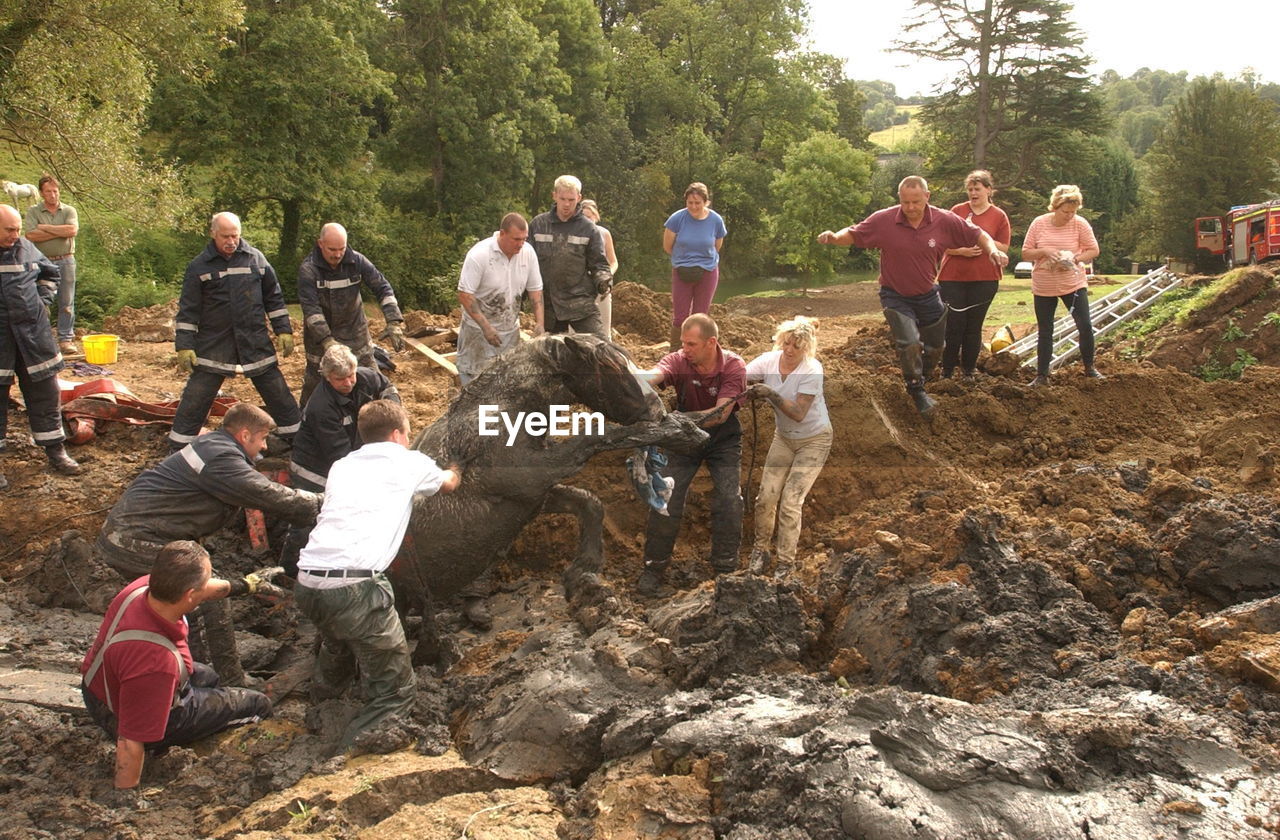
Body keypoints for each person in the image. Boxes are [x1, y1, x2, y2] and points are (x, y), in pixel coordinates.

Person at [98, 402, 321, 684]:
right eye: (262, 438)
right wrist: (326, 502)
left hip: (133, 533)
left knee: (191, 592)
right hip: (133, 541)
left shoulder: (214, 446)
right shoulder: (222, 460)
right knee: (203, 597)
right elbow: (274, 497)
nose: (264, 448)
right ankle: (227, 682)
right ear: (244, 435)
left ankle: (187, 665)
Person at [294, 400, 461, 753]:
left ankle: (322, 704)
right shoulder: (409, 461)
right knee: (395, 689)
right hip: (355, 588)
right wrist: (455, 468)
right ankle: (348, 754)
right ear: (399, 434)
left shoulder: (342, 465)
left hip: (308, 582)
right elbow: (447, 484)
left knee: (337, 641)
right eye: (408, 434)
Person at [80, 541, 273, 808]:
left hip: (99, 685)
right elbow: (130, 740)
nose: (210, 585)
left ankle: (199, 710)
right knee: (257, 704)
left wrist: (247, 585)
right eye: (208, 579)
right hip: (119, 714)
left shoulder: (144, 587)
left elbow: (201, 589)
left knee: (208, 678)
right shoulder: (154, 664)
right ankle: (169, 745)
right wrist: (125, 797)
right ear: (190, 595)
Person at [817, 176, 1008, 419]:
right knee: (909, 342)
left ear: (927, 197)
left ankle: (925, 376)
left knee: (937, 346)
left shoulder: (943, 219)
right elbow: (853, 234)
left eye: (916, 202)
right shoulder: (885, 219)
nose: (910, 208)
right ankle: (915, 388)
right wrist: (834, 237)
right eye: (905, 202)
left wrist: (992, 251)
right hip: (894, 295)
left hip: (927, 294)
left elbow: (978, 233)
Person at [636, 313, 746, 597]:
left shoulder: (733, 366)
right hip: (684, 438)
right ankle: (654, 568)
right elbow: (654, 375)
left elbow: (720, 414)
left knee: (728, 497)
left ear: (712, 342)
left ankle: (725, 569)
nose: (685, 349)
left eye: (692, 344)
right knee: (665, 496)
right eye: (683, 343)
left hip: (722, 438)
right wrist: (631, 380)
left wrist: (678, 421)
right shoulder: (679, 360)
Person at [170, 212, 300, 450]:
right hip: (214, 344)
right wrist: (185, 345)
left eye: (235, 236)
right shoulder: (199, 266)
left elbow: (274, 298)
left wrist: (283, 330)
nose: (231, 241)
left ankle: (297, 438)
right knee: (197, 397)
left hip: (254, 340)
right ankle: (179, 447)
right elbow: (188, 311)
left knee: (277, 391)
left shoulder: (255, 259)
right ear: (213, 234)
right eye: (225, 236)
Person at [280, 344, 400, 576]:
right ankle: (288, 571)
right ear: (326, 377)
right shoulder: (321, 408)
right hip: (314, 471)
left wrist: (391, 410)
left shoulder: (364, 378)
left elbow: (387, 386)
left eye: (351, 375)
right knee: (310, 518)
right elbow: (342, 458)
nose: (348, 382)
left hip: (347, 456)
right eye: (339, 379)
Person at [0, 203, 81, 489]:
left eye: (18, 229)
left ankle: (55, 451)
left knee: (46, 394)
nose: (16, 234)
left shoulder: (25, 247)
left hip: (34, 337)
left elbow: (50, 273)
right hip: (1, 339)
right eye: (10, 230)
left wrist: (40, 302)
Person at [743, 316, 831, 576]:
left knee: (791, 501)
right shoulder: (769, 361)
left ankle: (785, 562)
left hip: (814, 439)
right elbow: (741, 375)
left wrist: (771, 393)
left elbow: (798, 413)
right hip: (784, 437)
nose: (790, 350)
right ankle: (760, 552)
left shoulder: (812, 370)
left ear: (806, 348)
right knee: (766, 497)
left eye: (797, 346)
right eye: (787, 343)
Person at [297, 222, 406, 406]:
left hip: (356, 335)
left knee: (373, 382)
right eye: (332, 249)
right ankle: (305, 425)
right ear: (320, 243)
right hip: (320, 341)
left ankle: (389, 418)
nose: (338, 254)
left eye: (342, 248)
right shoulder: (309, 270)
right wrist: (327, 341)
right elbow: (311, 310)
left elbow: (383, 287)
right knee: (316, 386)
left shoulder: (356, 261)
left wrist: (393, 320)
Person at [1022, 185, 1104, 386]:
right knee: (1045, 329)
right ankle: (1042, 375)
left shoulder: (1080, 224)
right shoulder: (1039, 223)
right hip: (1044, 284)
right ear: (1055, 207)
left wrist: (1075, 259)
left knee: (1084, 324)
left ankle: (1089, 368)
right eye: (1065, 211)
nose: (1069, 216)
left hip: (1072, 282)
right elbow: (1025, 253)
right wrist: (1045, 252)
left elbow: (1093, 250)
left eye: (1073, 212)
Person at [456, 213, 545, 384]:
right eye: (516, 239)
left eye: (524, 239)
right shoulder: (480, 255)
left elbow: (535, 291)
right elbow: (465, 295)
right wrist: (486, 327)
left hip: (510, 330)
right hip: (477, 333)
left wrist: (540, 324)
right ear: (502, 234)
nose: (520, 244)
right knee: (474, 381)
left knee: (506, 383)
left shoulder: (528, 252)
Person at [938, 170, 1011, 380]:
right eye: (970, 189)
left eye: (977, 189)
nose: (973, 193)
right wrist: (960, 251)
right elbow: (940, 242)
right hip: (953, 277)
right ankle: (947, 370)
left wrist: (978, 234)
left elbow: (1004, 247)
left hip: (985, 278)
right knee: (954, 325)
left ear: (988, 190)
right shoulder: (957, 211)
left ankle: (969, 371)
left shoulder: (999, 216)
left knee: (973, 326)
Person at [528, 175, 611, 338]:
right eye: (562, 199)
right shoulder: (538, 225)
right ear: (554, 196)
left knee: (600, 347)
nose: (566, 204)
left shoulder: (589, 229)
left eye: (571, 200)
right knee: (548, 354)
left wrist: (603, 281)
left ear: (579, 198)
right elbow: (526, 262)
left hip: (579, 300)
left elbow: (599, 264)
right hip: (548, 304)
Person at [663, 182, 726, 351]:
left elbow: (717, 245)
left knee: (701, 315)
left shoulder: (715, 220)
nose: (693, 206)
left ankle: (699, 351)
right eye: (690, 202)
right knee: (680, 316)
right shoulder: (677, 219)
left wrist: (703, 260)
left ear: (706, 202)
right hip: (682, 269)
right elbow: (667, 246)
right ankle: (675, 352)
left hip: (707, 270)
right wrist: (683, 260)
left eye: (697, 202)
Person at [23, 175, 79, 354]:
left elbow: (72, 230)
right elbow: (30, 235)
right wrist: (59, 232)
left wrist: (45, 228)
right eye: (48, 191)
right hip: (41, 261)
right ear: (41, 193)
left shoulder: (69, 210)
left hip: (66, 259)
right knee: (41, 301)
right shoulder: (34, 211)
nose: (53, 195)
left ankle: (65, 339)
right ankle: (43, 339)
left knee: (66, 301)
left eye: (55, 191)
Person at [578, 199, 618, 339]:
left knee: (604, 329)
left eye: (590, 217)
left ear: (596, 217)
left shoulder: (604, 234)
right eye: (584, 217)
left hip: (601, 287)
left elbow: (613, 261)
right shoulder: (575, 235)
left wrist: (607, 276)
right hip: (579, 288)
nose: (587, 221)